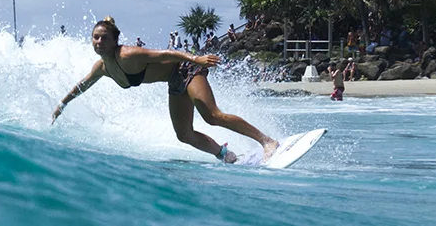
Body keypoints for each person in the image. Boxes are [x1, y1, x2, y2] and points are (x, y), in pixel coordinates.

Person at [52, 17, 279, 163]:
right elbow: (82, 85)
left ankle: (267, 141)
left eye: (104, 38)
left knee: (212, 116)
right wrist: (62, 104)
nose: (98, 41)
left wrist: (196, 58)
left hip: (186, 67)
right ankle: (225, 155)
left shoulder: (128, 55)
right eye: (95, 37)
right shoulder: (102, 68)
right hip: (174, 80)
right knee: (184, 135)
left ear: (115, 41)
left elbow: (165, 54)